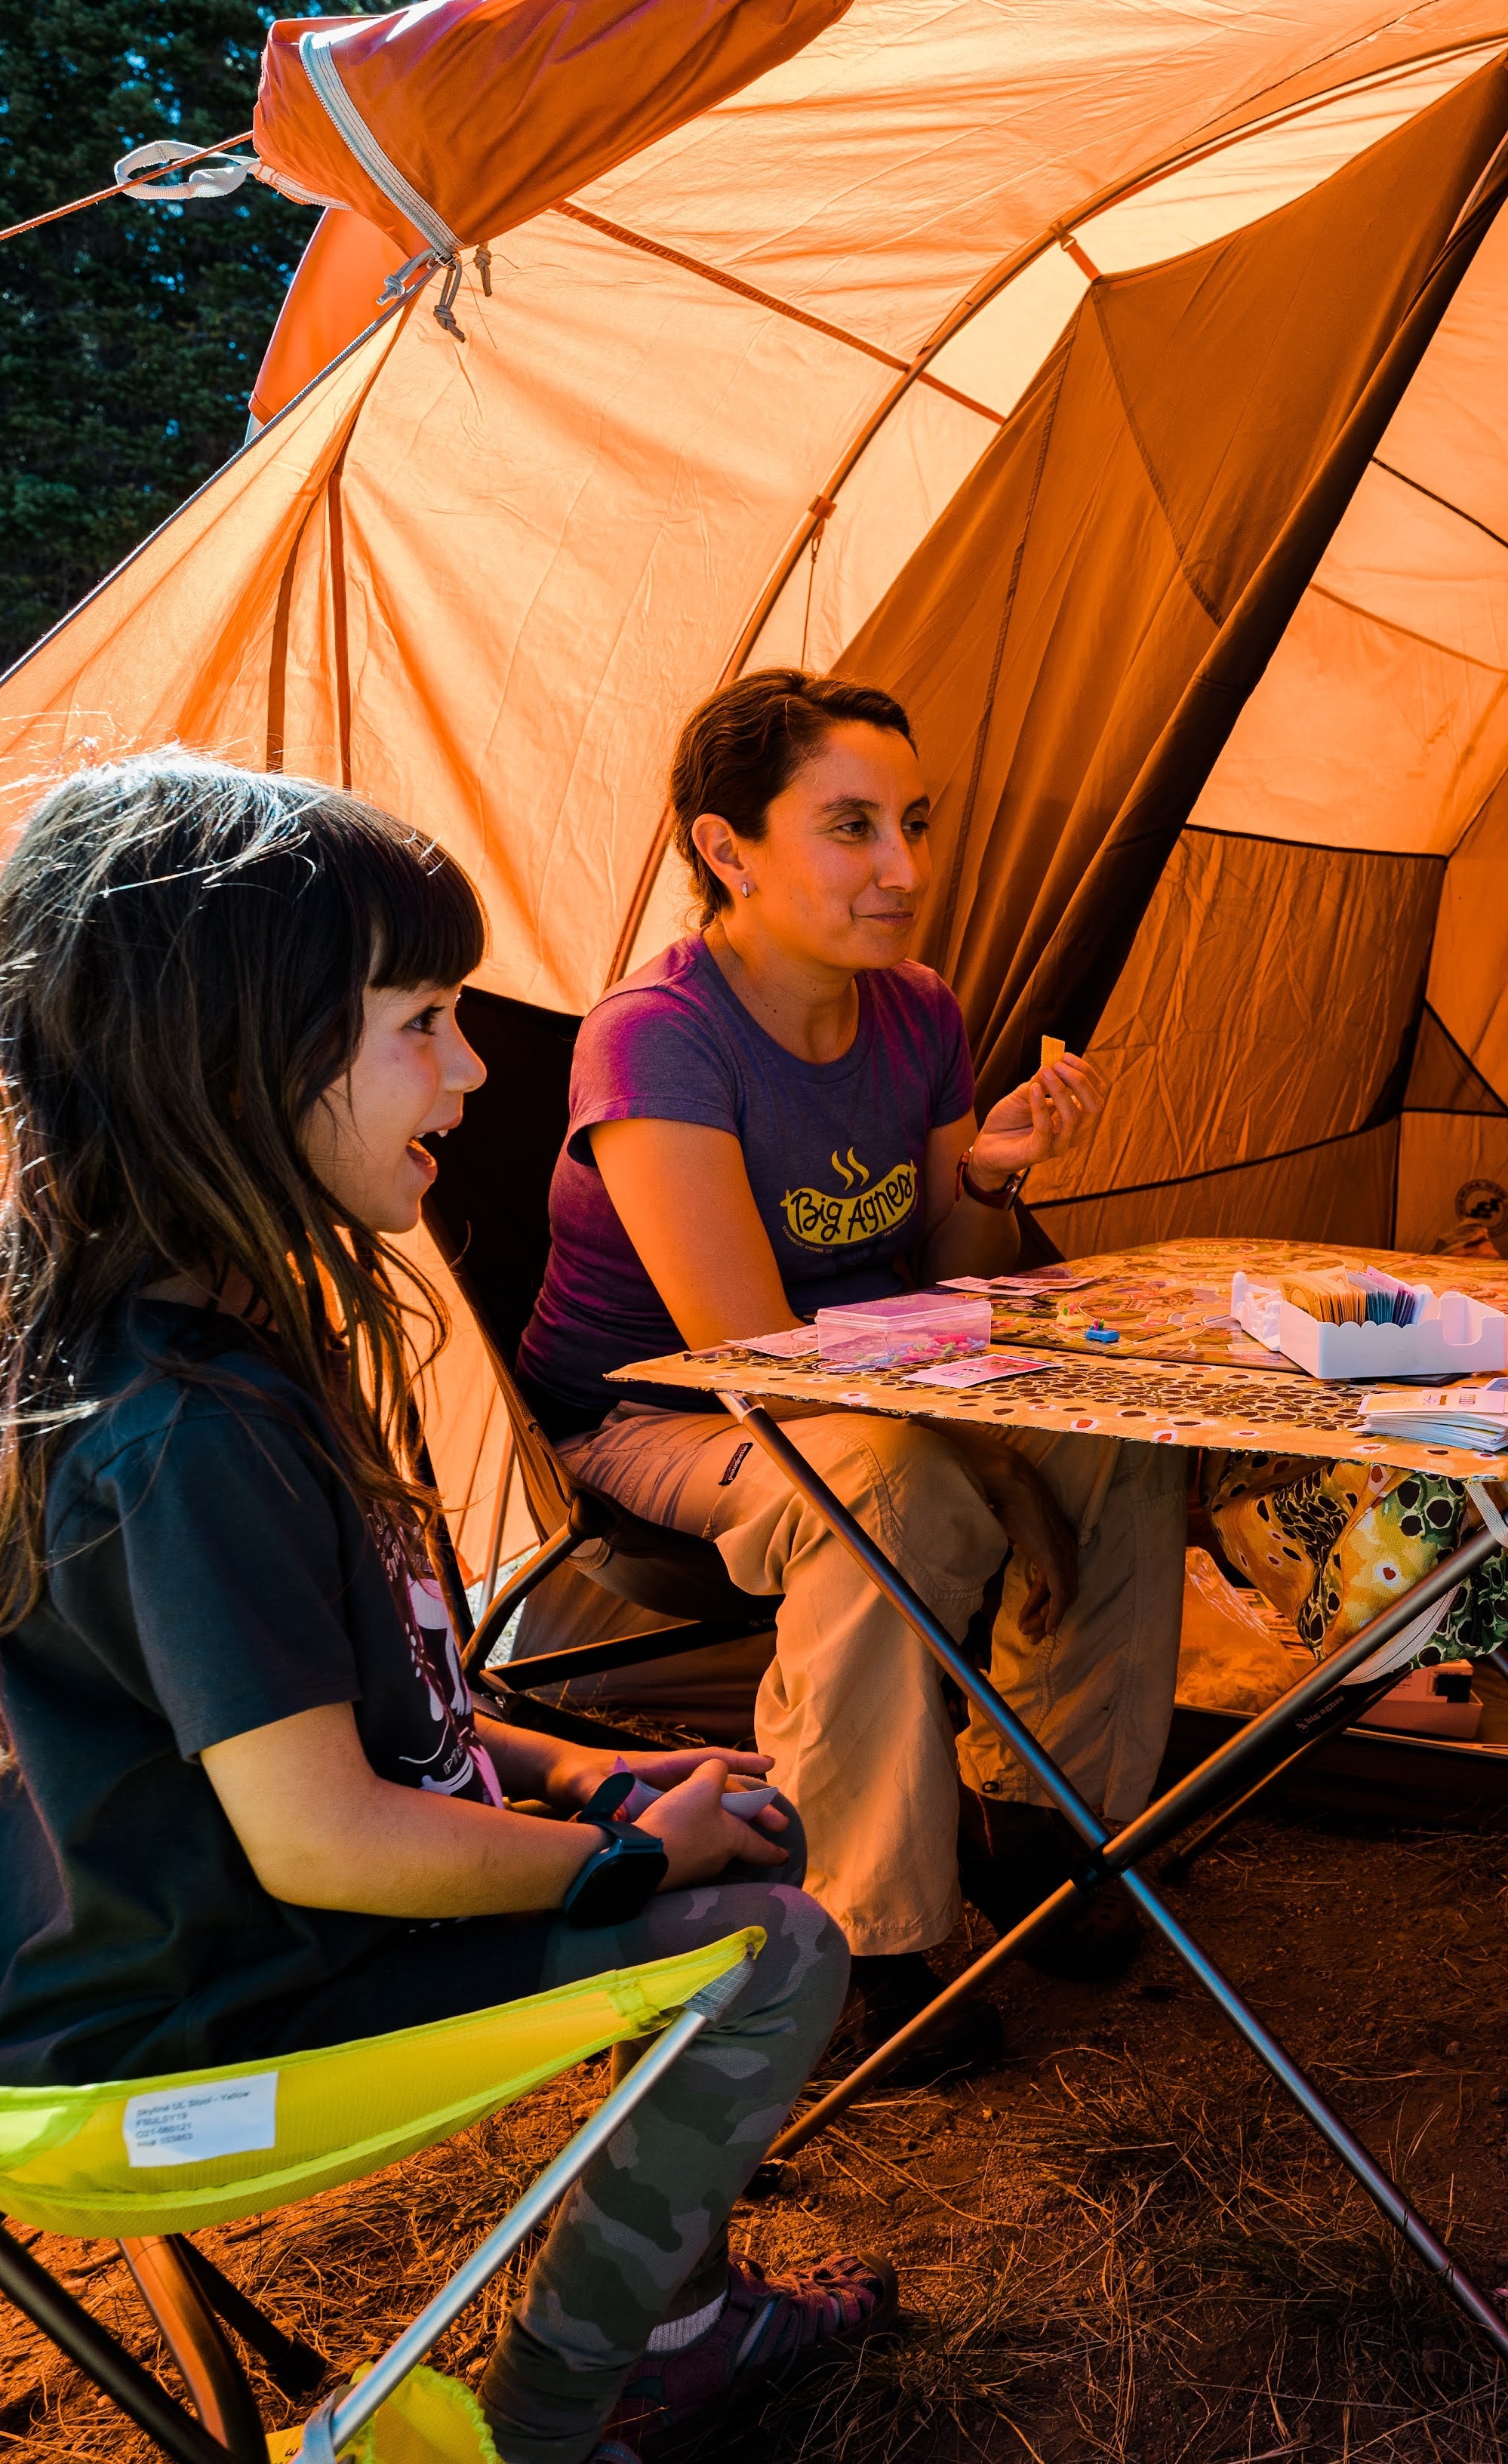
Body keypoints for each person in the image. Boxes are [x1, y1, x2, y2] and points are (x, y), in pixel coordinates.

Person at [0, 755, 885, 2464]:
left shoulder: (224, 1341)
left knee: (744, 1813)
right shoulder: (188, 1421)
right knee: (769, 1938)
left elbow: (347, 1705)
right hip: (166, 2035)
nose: (474, 1066)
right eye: (421, 1018)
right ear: (236, 1060)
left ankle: (686, 2312)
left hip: (166, 1940)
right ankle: (590, 2399)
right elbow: (325, 1834)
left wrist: (582, 1779)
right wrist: (631, 1863)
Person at [515, 670, 1183, 2051]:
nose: (903, 869)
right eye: (853, 827)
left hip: (883, 1385)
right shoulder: (661, 1038)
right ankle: (856, 1925)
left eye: (915, 824)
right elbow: (749, 1356)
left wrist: (989, 1177)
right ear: (726, 847)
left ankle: (1033, 1816)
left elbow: (959, 1277)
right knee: (888, 1491)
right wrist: (1010, 1474)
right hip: (661, 1411)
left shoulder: (917, 1010)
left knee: (1116, 1439)